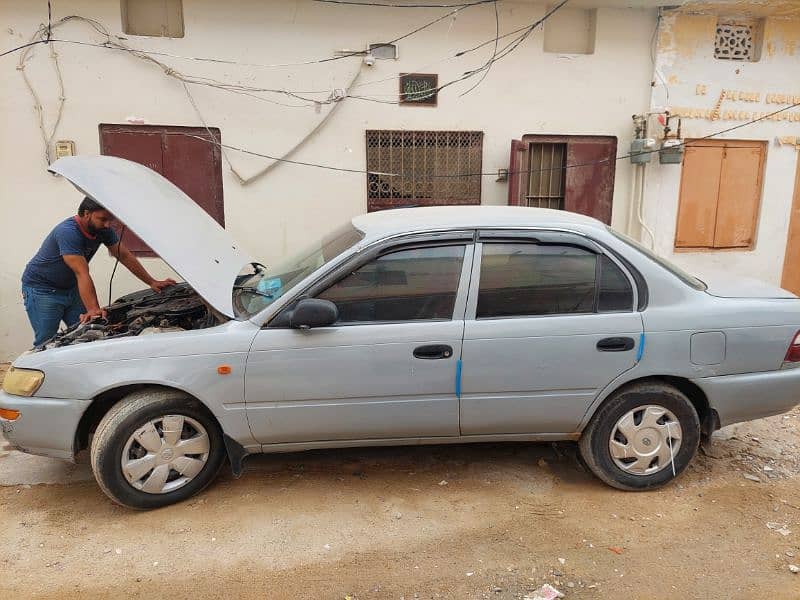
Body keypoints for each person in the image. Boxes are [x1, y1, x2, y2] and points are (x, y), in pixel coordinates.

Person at [21, 196, 176, 347]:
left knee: (86, 332)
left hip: (71, 288)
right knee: (46, 341)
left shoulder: (103, 229)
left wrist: (152, 281)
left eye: (110, 220)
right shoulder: (67, 232)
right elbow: (82, 272)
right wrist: (93, 308)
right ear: (87, 213)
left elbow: (124, 255)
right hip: (42, 289)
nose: (107, 224)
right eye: (102, 219)